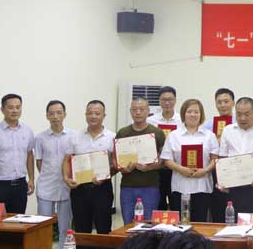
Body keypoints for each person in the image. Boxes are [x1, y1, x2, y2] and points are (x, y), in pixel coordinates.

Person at [62, 99, 115, 234]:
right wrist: (66, 178)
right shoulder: (75, 136)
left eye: (97, 113)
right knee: (81, 229)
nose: (93, 116)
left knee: (103, 228)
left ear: (104, 115)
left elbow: (116, 165)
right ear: (85, 115)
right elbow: (67, 160)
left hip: (102, 188)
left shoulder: (112, 137)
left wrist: (104, 177)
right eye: (90, 113)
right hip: (79, 189)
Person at [160, 98, 218, 222]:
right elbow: (167, 160)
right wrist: (181, 169)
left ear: (201, 115)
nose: (193, 115)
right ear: (183, 114)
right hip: (180, 186)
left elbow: (215, 159)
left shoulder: (209, 135)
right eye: (189, 111)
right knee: (181, 223)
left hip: (202, 186)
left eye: (196, 112)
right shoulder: (173, 135)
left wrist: (205, 170)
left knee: (200, 222)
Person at [0, 93, 35, 214]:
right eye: (10, 107)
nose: (15, 110)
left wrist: (31, 179)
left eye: (18, 107)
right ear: (2, 109)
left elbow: (30, 155)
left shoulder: (27, 131)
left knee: (18, 220)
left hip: (20, 185)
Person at [218, 97, 253, 214]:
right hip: (233, 187)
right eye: (239, 114)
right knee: (233, 221)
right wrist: (222, 180)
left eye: (247, 114)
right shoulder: (228, 130)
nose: (242, 118)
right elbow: (222, 158)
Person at [115, 96, 166, 224]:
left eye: (141, 109)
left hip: (150, 186)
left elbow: (164, 160)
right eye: (134, 109)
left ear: (148, 111)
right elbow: (115, 159)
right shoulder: (122, 133)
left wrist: (148, 167)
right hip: (127, 186)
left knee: (148, 224)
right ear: (130, 111)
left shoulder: (157, 133)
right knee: (128, 224)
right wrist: (122, 168)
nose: (138, 112)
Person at [35, 100, 72, 249]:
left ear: (65, 114)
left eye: (59, 113)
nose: (55, 116)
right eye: (51, 113)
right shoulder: (40, 138)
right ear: (47, 116)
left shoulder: (73, 136)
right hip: (46, 187)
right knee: (43, 227)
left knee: (65, 228)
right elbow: (39, 162)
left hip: (66, 188)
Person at [148, 86, 182, 210]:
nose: (167, 103)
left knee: (176, 203)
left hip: (176, 168)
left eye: (170, 99)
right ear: (159, 101)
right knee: (158, 204)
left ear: (175, 100)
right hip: (157, 168)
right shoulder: (151, 121)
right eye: (164, 100)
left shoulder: (182, 120)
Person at [204, 88, 235, 221]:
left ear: (233, 103)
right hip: (215, 171)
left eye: (226, 101)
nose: (223, 105)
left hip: (235, 170)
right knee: (217, 209)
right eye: (219, 102)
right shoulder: (207, 126)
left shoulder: (239, 123)